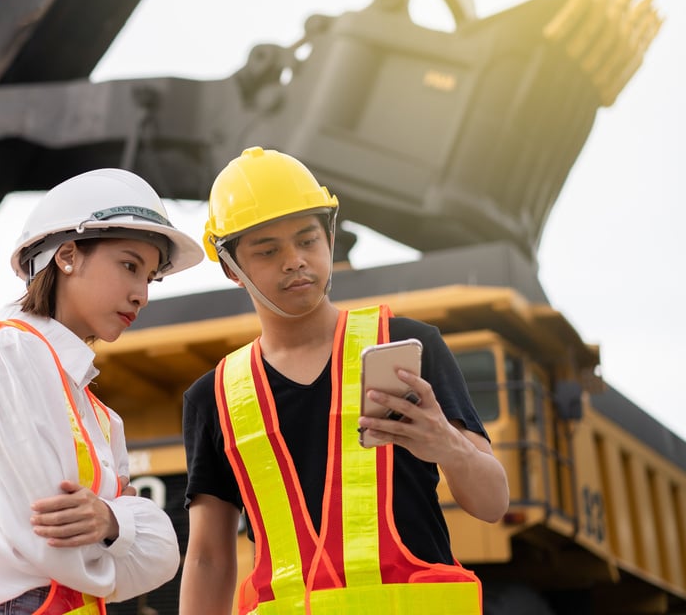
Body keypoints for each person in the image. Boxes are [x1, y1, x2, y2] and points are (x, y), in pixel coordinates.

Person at [179, 147, 509, 614]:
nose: (294, 261)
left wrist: (448, 446)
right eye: (268, 250)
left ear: (329, 238)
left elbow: (493, 504)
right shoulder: (213, 397)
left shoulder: (410, 344)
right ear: (231, 267)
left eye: (307, 240)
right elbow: (209, 558)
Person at [0, 168, 205, 614]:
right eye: (130, 266)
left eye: (150, 278)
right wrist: (128, 526)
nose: (141, 295)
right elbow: (50, 537)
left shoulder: (99, 414)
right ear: (68, 255)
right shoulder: (8, 351)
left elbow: (163, 557)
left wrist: (110, 518)